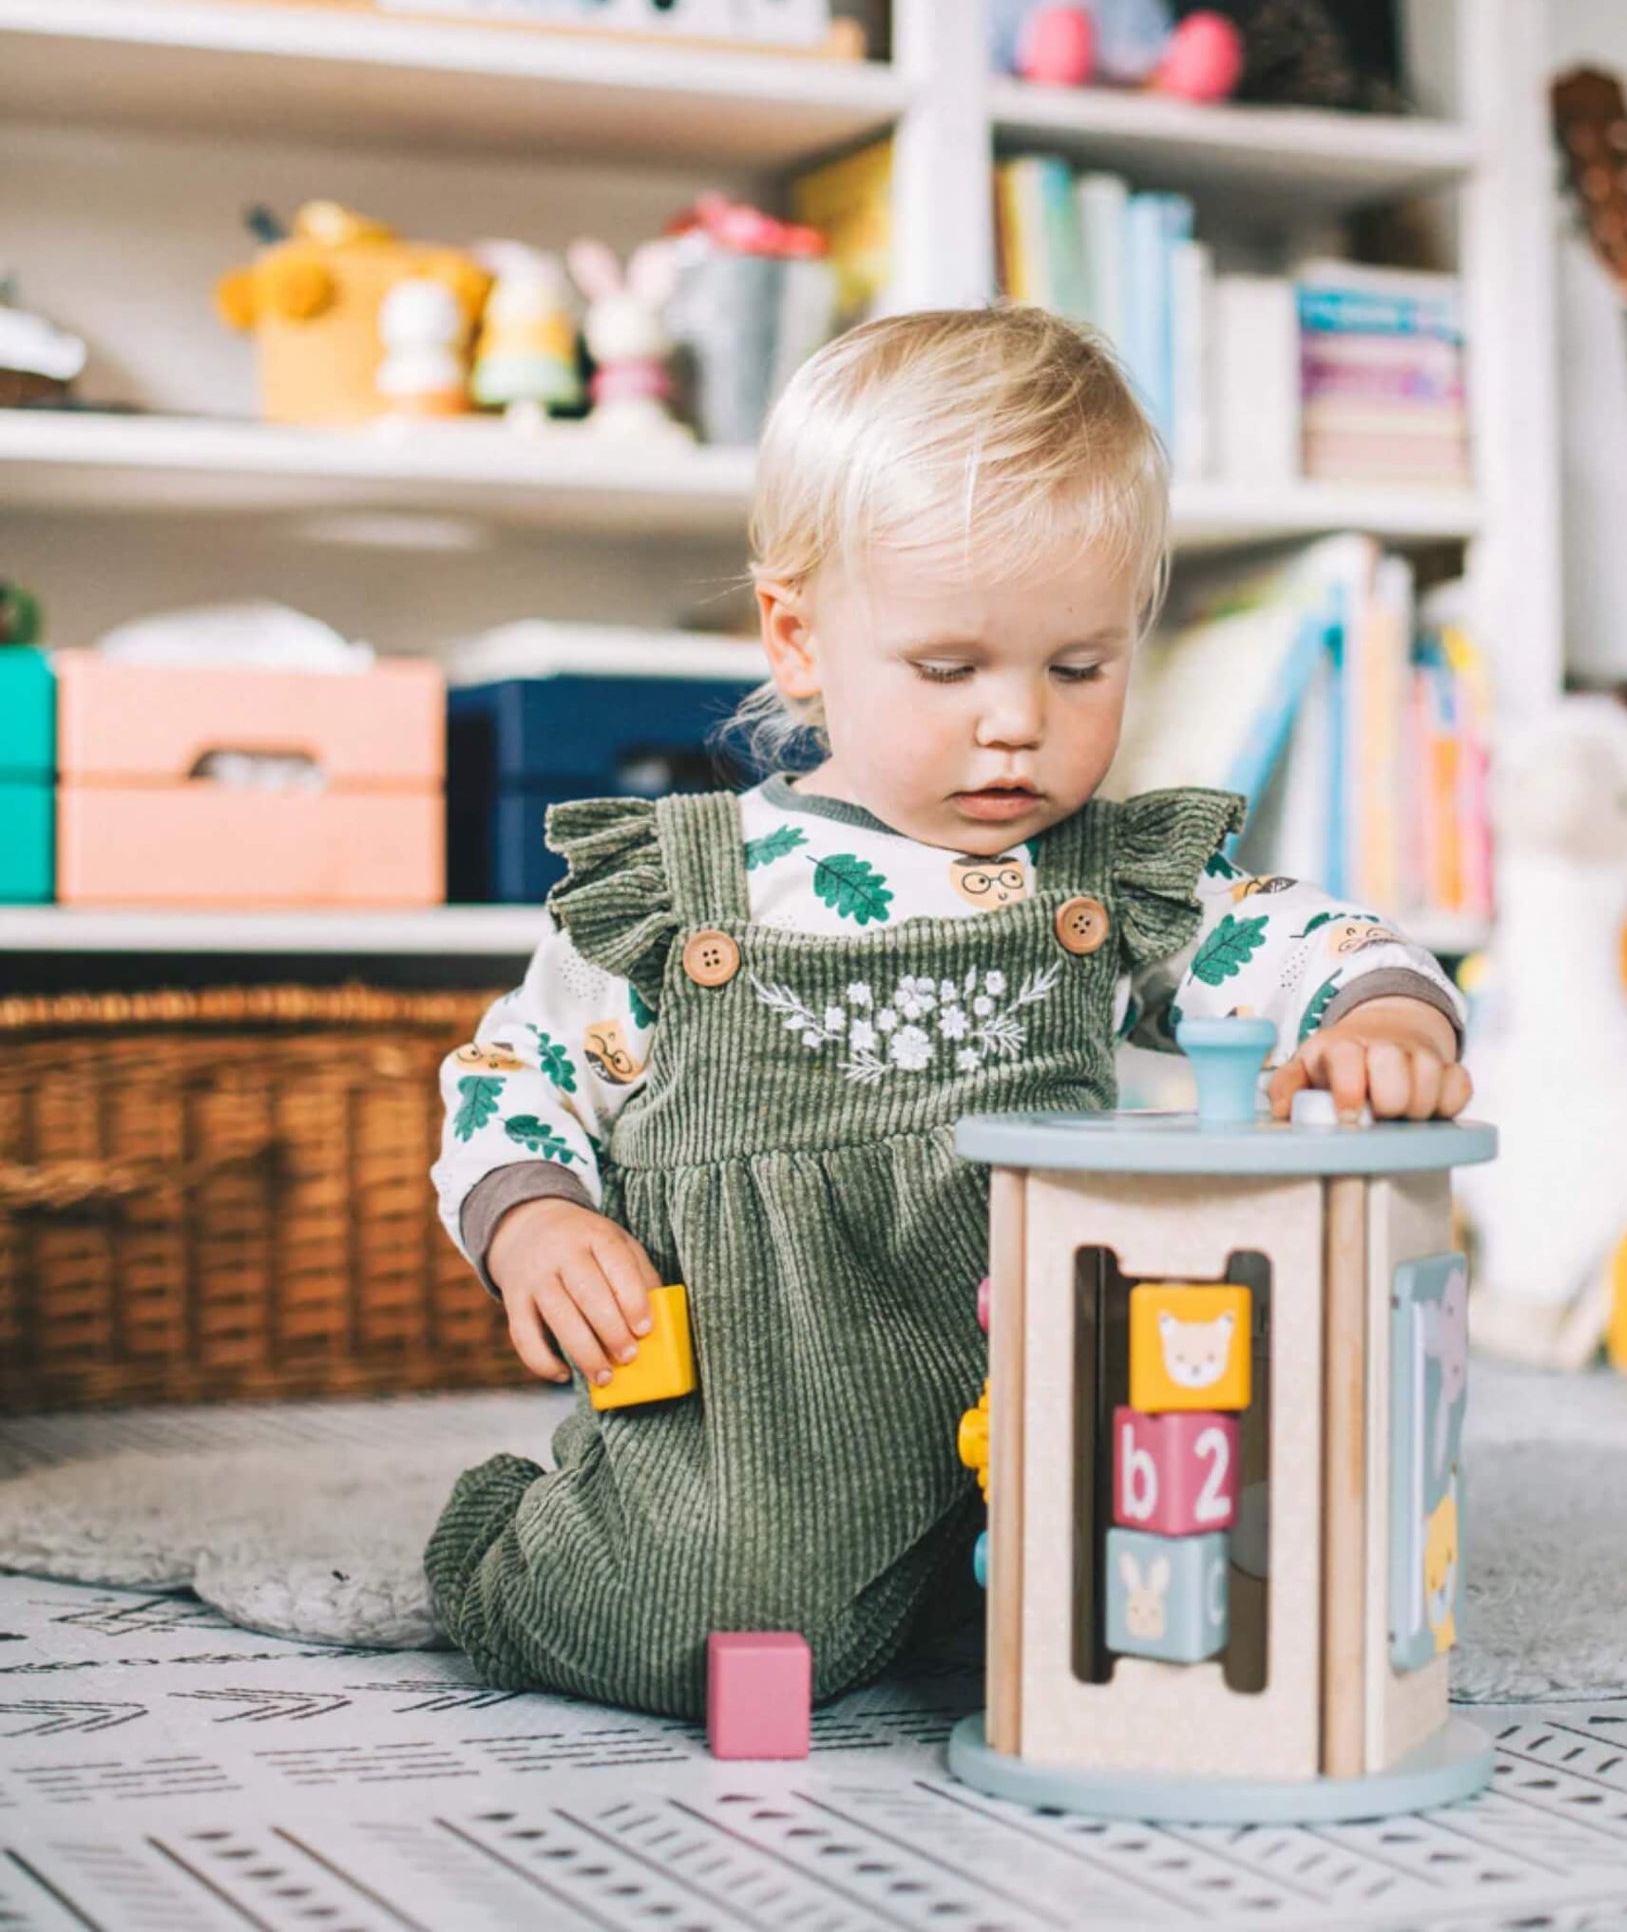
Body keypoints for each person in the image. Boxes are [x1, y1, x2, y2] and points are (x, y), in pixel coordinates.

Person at [426, 305, 1471, 1717]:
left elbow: (1285, 940)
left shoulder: (1102, 877)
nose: (1015, 721)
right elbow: (519, 1063)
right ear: (796, 637)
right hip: (772, 1404)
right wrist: (536, 1215)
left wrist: (1381, 1014)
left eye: (1078, 667)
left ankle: (969, 1596)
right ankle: (513, 1552)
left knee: (1201, 1589)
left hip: (1045, 1367)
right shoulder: (690, 889)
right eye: (948, 666)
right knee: (687, 1610)